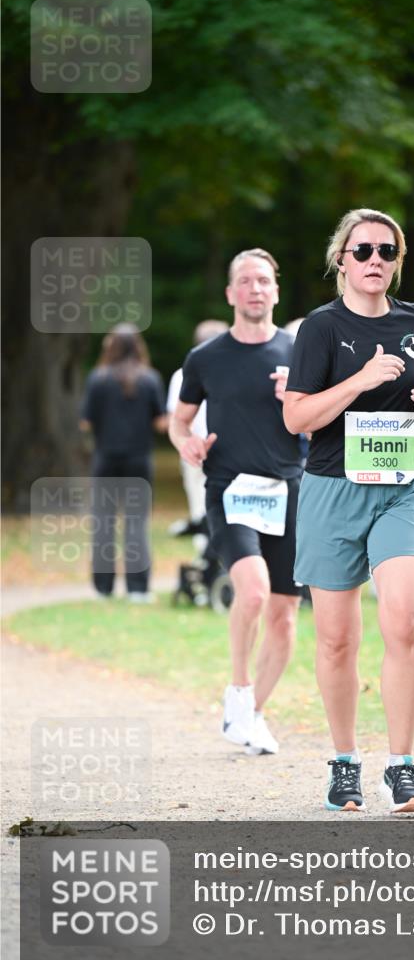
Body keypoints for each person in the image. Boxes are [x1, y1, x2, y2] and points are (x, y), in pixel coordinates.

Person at [283, 208, 414, 813]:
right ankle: (345, 763)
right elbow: (297, 417)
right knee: (335, 639)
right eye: (363, 251)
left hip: (404, 486)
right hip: (332, 487)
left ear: (398, 261)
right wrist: (360, 380)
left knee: (404, 620)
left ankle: (402, 767)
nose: (375, 260)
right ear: (340, 260)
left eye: (387, 251)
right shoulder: (321, 330)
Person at [169, 249, 302, 755]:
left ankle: (254, 714)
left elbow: (325, 422)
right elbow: (181, 420)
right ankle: (239, 691)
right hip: (231, 490)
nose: (255, 289)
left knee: (286, 615)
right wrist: (187, 443)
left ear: (276, 290)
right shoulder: (205, 359)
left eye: (264, 280)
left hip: (290, 489)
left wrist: (297, 396)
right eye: (245, 281)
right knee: (252, 593)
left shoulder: (299, 352)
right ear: (231, 294)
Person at [80, 323, 168, 601]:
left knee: (104, 522)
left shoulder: (98, 378)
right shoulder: (150, 379)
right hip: (139, 461)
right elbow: (161, 422)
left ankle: (103, 588)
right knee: (136, 523)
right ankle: (138, 588)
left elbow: (85, 422)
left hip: (106, 459)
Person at [166, 320, 228, 551]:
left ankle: (209, 560)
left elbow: (173, 417)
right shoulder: (185, 375)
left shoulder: (180, 375)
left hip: (201, 451)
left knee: (201, 507)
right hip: (202, 451)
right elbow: (178, 419)